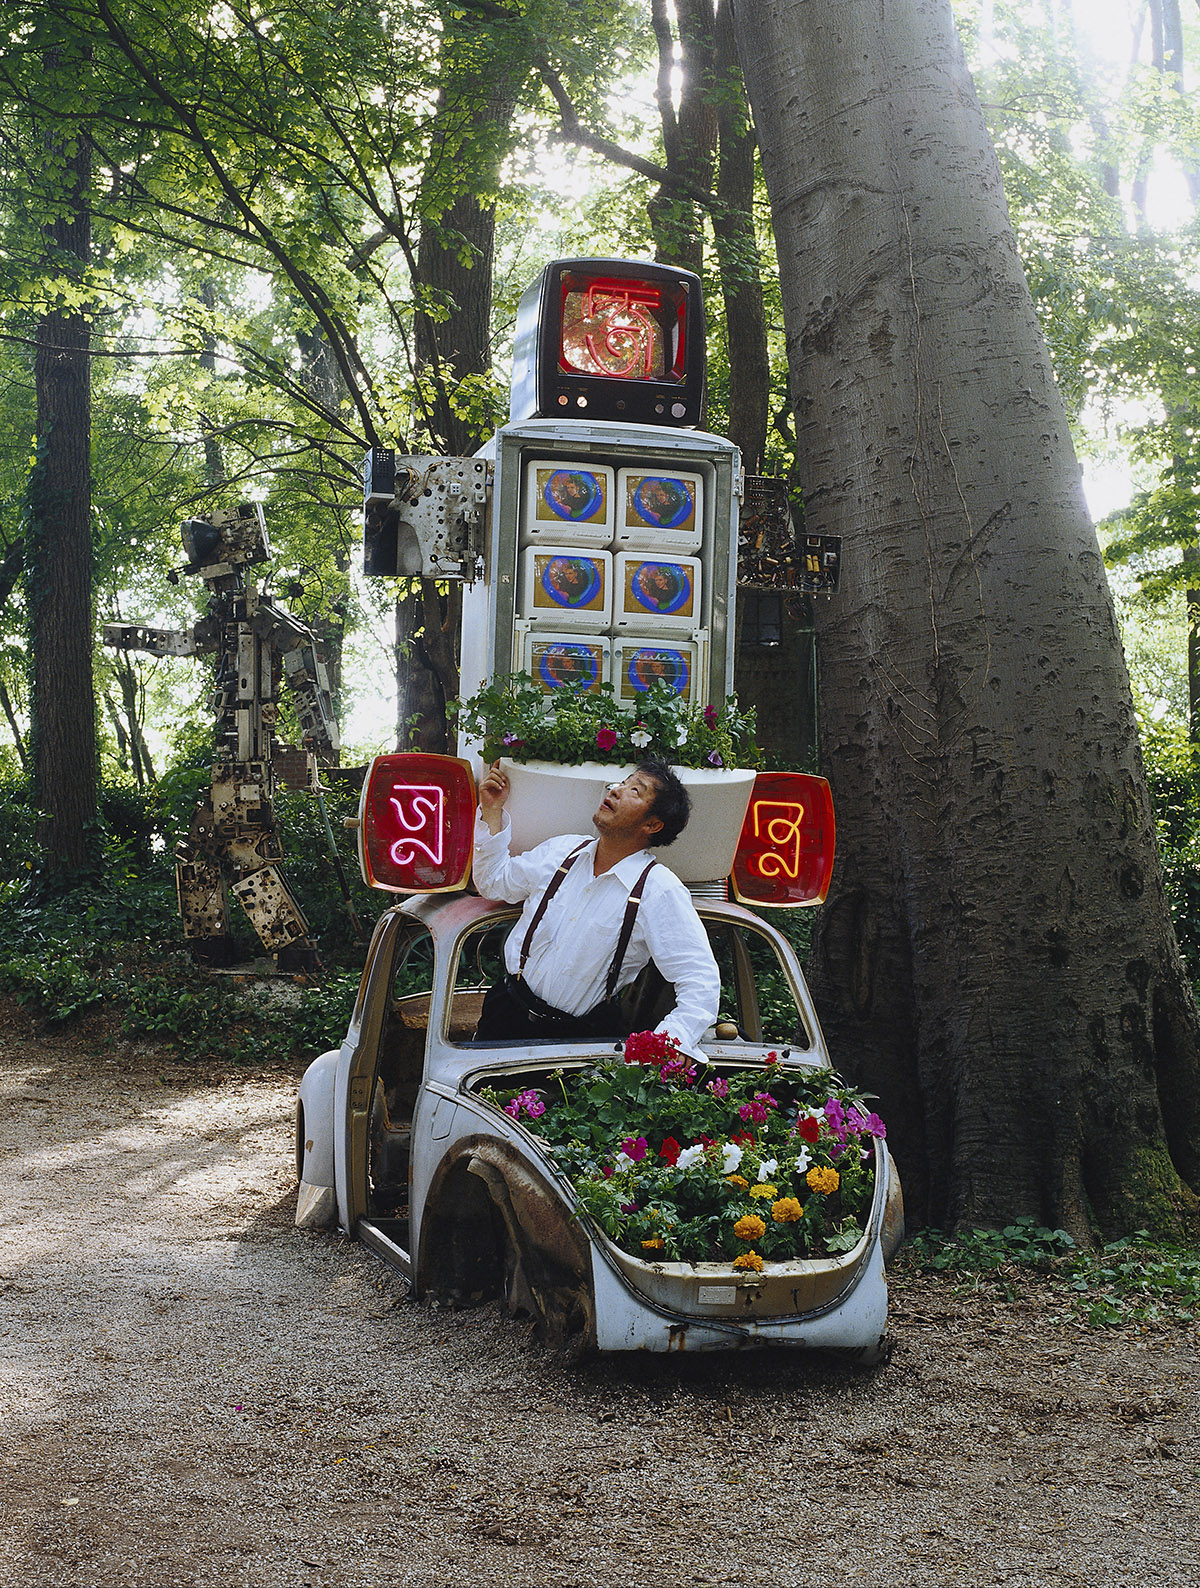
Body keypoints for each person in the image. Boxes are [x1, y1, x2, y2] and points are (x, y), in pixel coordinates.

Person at [471, 759, 720, 1050]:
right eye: (622, 783)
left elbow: (699, 981)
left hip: (577, 1042)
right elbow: (493, 882)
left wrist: (667, 1044)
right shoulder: (561, 852)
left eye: (635, 791)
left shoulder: (659, 890)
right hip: (503, 1013)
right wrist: (491, 809)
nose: (616, 790)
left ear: (652, 824)